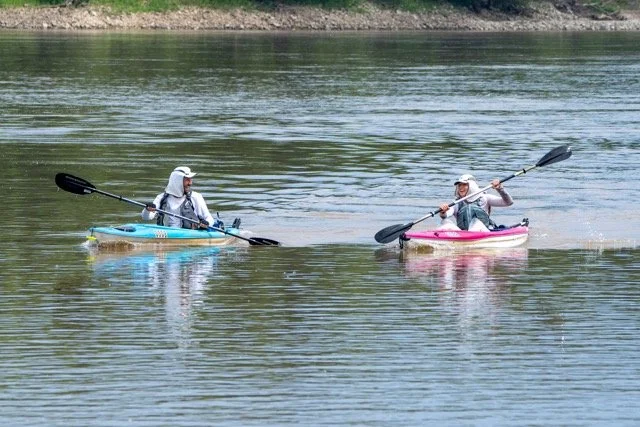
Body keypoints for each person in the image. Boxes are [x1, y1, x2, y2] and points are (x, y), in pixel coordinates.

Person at [142, 166, 215, 229]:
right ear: (177, 181)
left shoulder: (196, 197)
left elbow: (210, 219)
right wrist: (147, 210)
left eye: (190, 179)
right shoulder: (161, 198)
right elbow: (146, 217)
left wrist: (206, 223)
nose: (190, 183)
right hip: (165, 234)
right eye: (187, 179)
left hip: (189, 236)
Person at [438, 174, 513, 231]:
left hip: (483, 231)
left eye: (464, 184)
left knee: (476, 222)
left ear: (472, 186)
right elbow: (445, 215)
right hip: (463, 234)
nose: (461, 187)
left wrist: (500, 189)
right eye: (459, 185)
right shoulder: (457, 203)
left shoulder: (485, 198)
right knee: (446, 222)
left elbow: (508, 202)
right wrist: (443, 211)